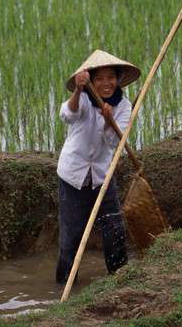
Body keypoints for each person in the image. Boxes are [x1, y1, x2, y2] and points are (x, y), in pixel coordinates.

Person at [55, 50, 141, 284]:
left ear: (118, 78)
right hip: (73, 175)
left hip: (102, 176)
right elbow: (67, 115)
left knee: (114, 229)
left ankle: (119, 281)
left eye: (111, 77)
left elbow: (114, 142)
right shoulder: (82, 97)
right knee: (71, 237)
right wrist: (78, 90)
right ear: (91, 80)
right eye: (99, 78)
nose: (106, 83)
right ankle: (64, 283)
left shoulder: (122, 107)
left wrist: (107, 120)